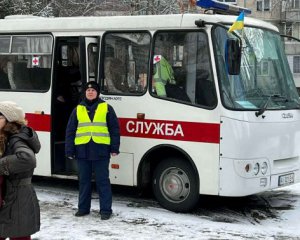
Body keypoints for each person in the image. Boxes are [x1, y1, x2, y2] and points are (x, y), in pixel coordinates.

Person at [65, 81, 120, 220]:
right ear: (85, 93)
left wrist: (114, 148)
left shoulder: (107, 108)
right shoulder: (78, 109)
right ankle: (83, 209)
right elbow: (70, 131)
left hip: (101, 151)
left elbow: (114, 130)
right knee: (84, 182)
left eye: (93, 90)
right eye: (88, 90)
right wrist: (69, 150)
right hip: (82, 151)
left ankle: (106, 210)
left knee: (103, 182)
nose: (90, 92)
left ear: (98, 93)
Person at [0, 101, 41, 240]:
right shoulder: (5, 135)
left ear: (9, 119)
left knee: (19, 235)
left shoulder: (17, 139)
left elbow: (27, 159)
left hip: (18, 197)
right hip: (10, 194)